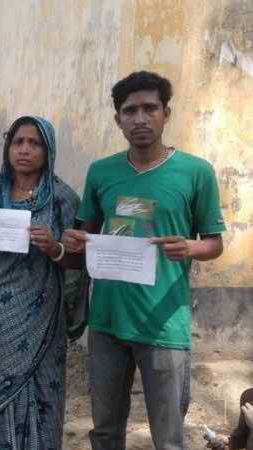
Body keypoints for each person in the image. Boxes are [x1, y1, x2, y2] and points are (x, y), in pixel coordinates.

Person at [61, 71, 225, 449]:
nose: (140, 119)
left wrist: (189, 248)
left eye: (150, 108)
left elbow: (214, 244)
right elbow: (84, 238)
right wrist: (72, 241)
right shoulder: (101, 172)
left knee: (168, 439)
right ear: (117, 119)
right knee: (105, 432)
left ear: (166, 113)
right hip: (106, 322)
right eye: (129, 111)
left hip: (163, 324)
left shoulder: (196, 172)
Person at [0, 116, 79, 449]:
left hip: (42, 318)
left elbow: (78, 261)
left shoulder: (62, 199)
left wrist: (54, 248)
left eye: (34, 143)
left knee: (42, 393)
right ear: (8, 147)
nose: (24, 150)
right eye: (18, 142)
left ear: (48, 150)